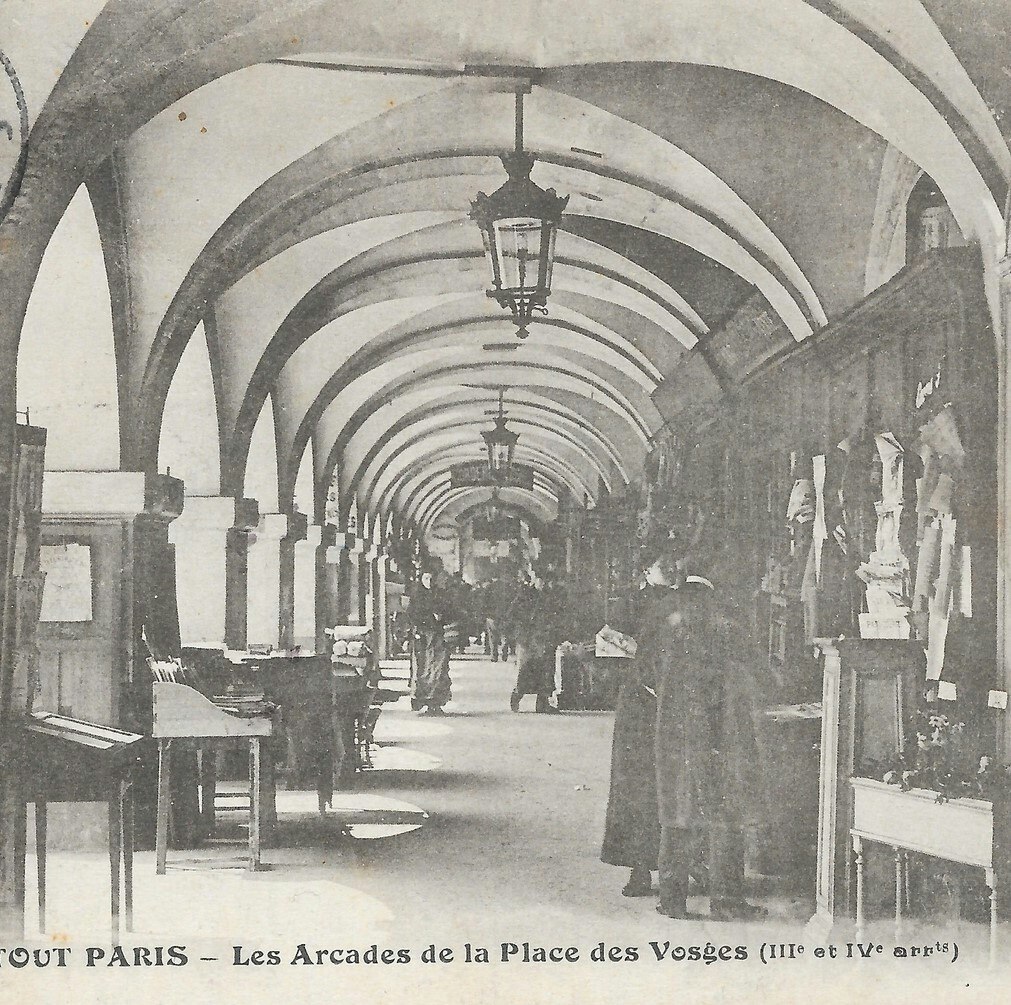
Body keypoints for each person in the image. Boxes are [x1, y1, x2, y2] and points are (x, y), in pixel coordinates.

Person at [653, 576, 769, 921]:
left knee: (679, 815)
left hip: (677, 736)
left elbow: (651, 675)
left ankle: (672, 900)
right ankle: (727, 901)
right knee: (725, 816)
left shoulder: (670, 630)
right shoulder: (727, 631)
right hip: (720, 737)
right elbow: (759, 674)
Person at [599, 557, 673, 896]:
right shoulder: (632, 602)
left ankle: (680, 867)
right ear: (645, 570)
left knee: (671, 784)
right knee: (637, 784)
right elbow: (608, 642)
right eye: (662, 564)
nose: (670, 568)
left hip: (667, 699)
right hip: (640, 703)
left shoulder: (679, 599)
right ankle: (638, 867)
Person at [508, 574, 566, 713]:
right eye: (541, 580)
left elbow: (557, 615)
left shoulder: (550, 596)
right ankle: (517, 695)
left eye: (547, 580)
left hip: (545, 639)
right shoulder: (525, 595)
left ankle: (543, 703)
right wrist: (521, 632)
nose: (544, 583)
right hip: (528, 639)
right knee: (526, 669)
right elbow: (512, 615)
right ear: (534, 580)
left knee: (547, 671)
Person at [407, 569, 452, 715]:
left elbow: (449, 611)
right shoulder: (416, 596)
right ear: (421, 579)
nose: (429, 582)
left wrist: (441, 617)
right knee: (422, 668)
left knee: (439, 668)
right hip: (422, 636)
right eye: (426, 578)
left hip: (437, 637)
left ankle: (436, 703)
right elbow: (411, 615)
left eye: (432, 579)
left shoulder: (440, 595)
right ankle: (422, 700)